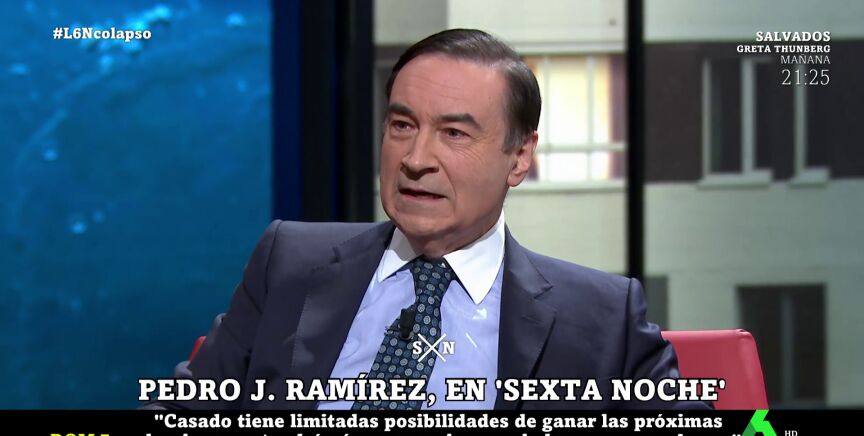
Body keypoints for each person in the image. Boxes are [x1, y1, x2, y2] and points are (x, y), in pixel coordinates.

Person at [142, 29, 711, 410]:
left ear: (519, 157)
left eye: (454, 133)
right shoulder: (289, 261)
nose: (416, 159)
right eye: (402, 126)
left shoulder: (602, 318)